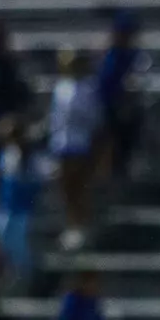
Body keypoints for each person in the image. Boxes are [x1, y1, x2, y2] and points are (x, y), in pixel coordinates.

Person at [49, 49, 102, 251]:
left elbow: (93, 117)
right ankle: (71, 225)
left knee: (80, 187)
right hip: (62, 143)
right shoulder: (61, 88)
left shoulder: (88, 89)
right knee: (67, 188)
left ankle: (82, 225)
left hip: (80, 143)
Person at [0, 117, 43, 288]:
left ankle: (26, 279)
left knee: (19, 245)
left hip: (21, 210)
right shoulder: (6, 154)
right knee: (1, 240)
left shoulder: (31, 157)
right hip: (5, 207)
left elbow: (35, 184)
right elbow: (3, 183)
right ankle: (11, 275)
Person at [96, 11, 144, 180]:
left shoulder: (132, 55)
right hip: (108, 108)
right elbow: (105, 86)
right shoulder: (111, 57)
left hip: (125, 110)